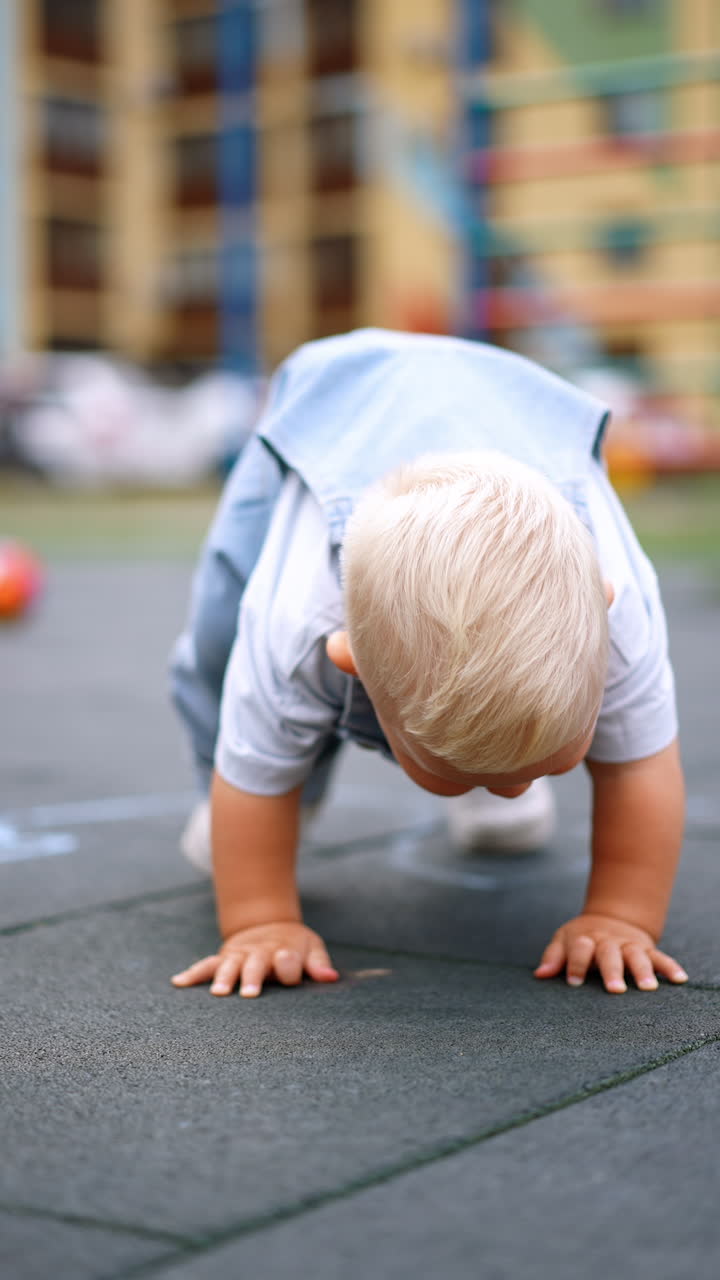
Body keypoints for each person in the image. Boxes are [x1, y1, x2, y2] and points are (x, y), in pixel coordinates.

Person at [169, 328, 687, 1000]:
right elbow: (254, 756)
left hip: (518, 409)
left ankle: (499, 748)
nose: (512, 789)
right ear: (348, 660)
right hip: (325, 421)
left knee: (490, 716)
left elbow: (643, 763)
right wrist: (259, 919)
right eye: (472, 777)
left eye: (545, 765)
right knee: (218, 647)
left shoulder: (616, 613)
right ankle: (309, 793)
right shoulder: (297, 623)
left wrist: (621, 916)